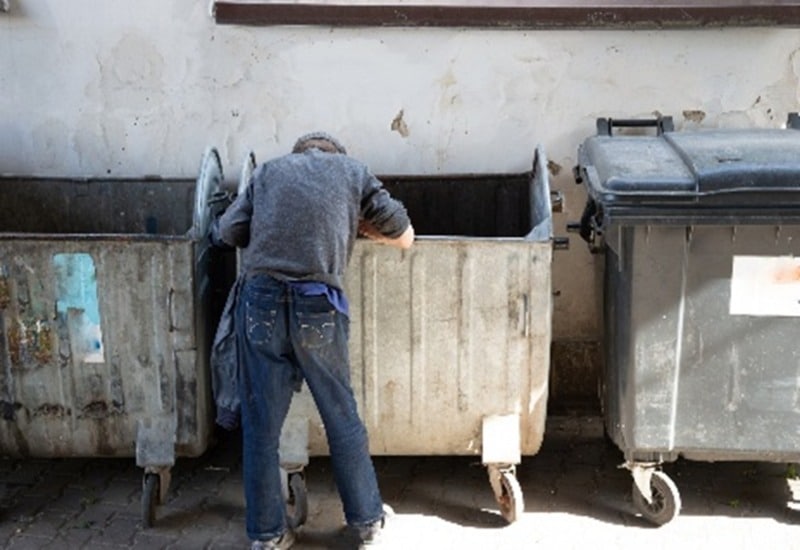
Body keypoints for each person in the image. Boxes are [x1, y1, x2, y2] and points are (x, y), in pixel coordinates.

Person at [211, 132, 414, 550]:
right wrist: (359, 231)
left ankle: (267, 535)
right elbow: (405, 234)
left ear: (300, 154)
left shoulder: (269, 172)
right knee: (341, 415)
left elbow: (228, 232)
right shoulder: (353, 172)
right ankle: (365, 522)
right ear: (335, 155)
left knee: (261, 427)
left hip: (260, 302)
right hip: (317, 304)